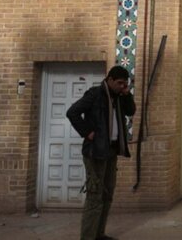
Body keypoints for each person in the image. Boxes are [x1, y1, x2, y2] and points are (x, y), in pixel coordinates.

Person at [67, 65, 136, 240]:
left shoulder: (119, 97)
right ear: (110, 80)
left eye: (125, 84)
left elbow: (131, 111)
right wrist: (87, 132)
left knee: (107, 195)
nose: (122, 86)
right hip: (95, 153)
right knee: (95, 197)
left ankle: (99, 234)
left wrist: (126, 93)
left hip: (111, 152)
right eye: (120, 83)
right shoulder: (95, 94)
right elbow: (72, 112)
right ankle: (88, 237)